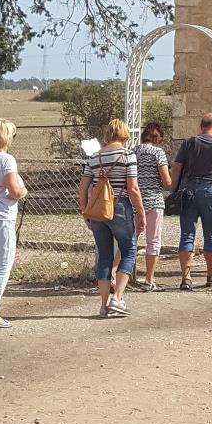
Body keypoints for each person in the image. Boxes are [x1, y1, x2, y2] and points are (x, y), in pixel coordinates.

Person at [78, 119, 146, 319]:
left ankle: (103, 304)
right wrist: (141, 213)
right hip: (120, 207)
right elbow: (132, 188)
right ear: (125, 133)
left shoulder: (94, 157)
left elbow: (82, 187)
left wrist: (85, 211)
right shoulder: (127, 156)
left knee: (104, 256)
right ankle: (117, 298)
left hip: (98, 210)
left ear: (108, 133)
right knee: (129, 250)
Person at [170, 113, 212, 291]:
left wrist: (173, 190)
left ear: (201, 126)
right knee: (211, 235)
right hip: (211, 190)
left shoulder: (189, 143)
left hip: (189, 190)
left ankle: (186, 279)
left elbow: (177, 167)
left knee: (187, 234)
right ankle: (211, 276)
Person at [0, 120, 27, 329]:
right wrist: (24, 191)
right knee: (3, 265)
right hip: (2, 216)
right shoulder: (6, 160)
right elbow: (15, 190)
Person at [135, 120, 173, 290]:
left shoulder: (133, 151)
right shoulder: (158, 153)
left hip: (134, 201)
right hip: (154, 200)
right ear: (157, 138)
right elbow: (166, 182)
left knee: (129, 241)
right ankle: (149, 280)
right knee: (153, 241)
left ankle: (116, 275)